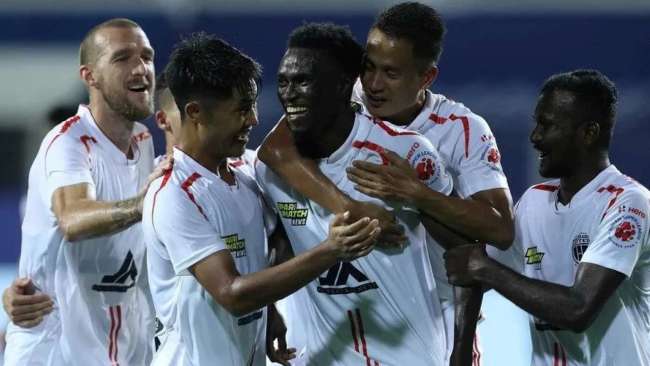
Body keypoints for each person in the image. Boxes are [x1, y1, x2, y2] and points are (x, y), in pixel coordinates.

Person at [257, 2, 514, 363]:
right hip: (349, 309)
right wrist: (353, 210)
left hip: (437, 311)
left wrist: (416, 194)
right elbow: (276, 149)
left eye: (391, 73)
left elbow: (500, 229)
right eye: (369, 68)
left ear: (426, 78)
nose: (374, 84)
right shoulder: (343, 97)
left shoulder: (460, 130)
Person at [143, 32, 380, 366]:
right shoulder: (174, 194)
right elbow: (231, 293)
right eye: (241, 109)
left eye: (252, 105)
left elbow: (258, 256)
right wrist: (331, 250)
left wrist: (268, 311)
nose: (253, 118)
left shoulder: (245, 176)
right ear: (195, 112)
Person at [445, 69, 650, 365]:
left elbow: (578, 310)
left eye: (547, 125)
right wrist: (462, 352)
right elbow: (471, 269)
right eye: (536, 124)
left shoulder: (628, 203)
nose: (535, 136)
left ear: (588, 133)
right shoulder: (534, 202)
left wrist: (484, 269)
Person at [3, 18, 169, 365]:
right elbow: (72, 219)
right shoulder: (68, 143)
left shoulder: (142, 140)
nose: (142, 68)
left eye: (147, 56)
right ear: (90, 76)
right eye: (123, 58)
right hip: (57, 351)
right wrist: (144, 204)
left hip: (118, 344)